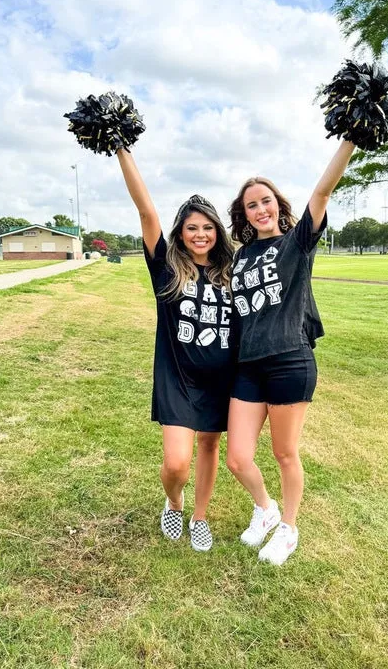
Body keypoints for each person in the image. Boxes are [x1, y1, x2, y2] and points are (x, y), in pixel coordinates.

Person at [226, 139, 355, 565]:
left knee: (284, 453)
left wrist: (350, 136)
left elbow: (322, 192)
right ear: (243, 215)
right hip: (248, 366)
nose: (260, 209)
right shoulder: (241, 256)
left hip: (289, 360)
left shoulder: (296, 243)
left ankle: (289, 528)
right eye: (251, 205)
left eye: (266, 201)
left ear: (278, 205)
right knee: (238, 458)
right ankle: (265, 510)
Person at [117, 148, 235, 551]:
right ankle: (174, 500)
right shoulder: (167, 269)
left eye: (207, 227)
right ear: (180, 234)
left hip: (220, 378)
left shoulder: (230, 273)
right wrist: (121, 147)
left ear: (217, 231)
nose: (200, 234)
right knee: (175, 463)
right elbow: (147, 212)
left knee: (209, 444)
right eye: (191, 228)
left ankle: (200, 516)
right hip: (178, 378)